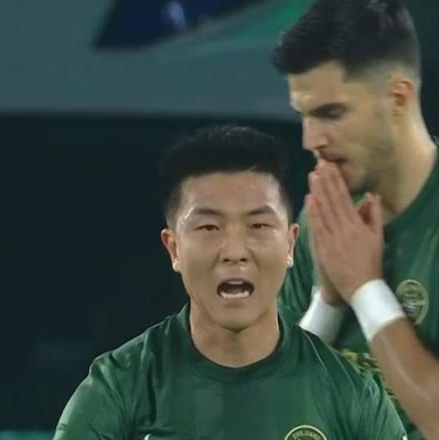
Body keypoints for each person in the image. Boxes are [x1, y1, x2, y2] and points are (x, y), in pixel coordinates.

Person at [53, 125, 407, 439]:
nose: (235, 252)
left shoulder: (354, 396)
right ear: (174, 249)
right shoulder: (118, 390)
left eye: (258, 226)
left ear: (290, 245)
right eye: (209, 227)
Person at [272, 1, 439, 439]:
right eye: (304, 116)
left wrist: (365, 290)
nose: (311, 139)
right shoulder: (324, 215)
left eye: (330, 113)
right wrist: (328, 304)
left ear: (398, 98)